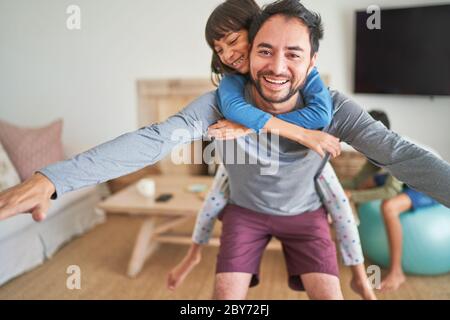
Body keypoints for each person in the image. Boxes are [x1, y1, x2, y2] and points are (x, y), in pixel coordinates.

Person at [1, 0, 449, 300]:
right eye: (265, 51)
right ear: (247, 53)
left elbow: (399, 153)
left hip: (306, 215)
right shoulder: (220, 101)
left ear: (312, 62)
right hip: (246, 212)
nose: (276, 66)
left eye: (293, 54)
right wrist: (53, 178)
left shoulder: (332, 109)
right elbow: (157, 138)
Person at [167, 0, 374, 300]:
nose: (226, 54)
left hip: (304, 207)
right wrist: (192, 256)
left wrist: (252, 126)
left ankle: (361, 280)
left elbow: (320, 117)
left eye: (233, 41)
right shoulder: (231, 84)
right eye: (218, 49)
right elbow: (214, 197)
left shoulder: (304, 76)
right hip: (247, 206)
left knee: (339, 215)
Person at [343, 110, 439, 292]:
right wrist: (331, 184)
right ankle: (356, 243)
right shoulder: (373, 150)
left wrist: (352, 196)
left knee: (389, 207)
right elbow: (357, 182)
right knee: (367, 183)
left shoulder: (396, 150)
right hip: (407, 181)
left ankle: (397, 272)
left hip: (430, 184)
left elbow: (390, 191)